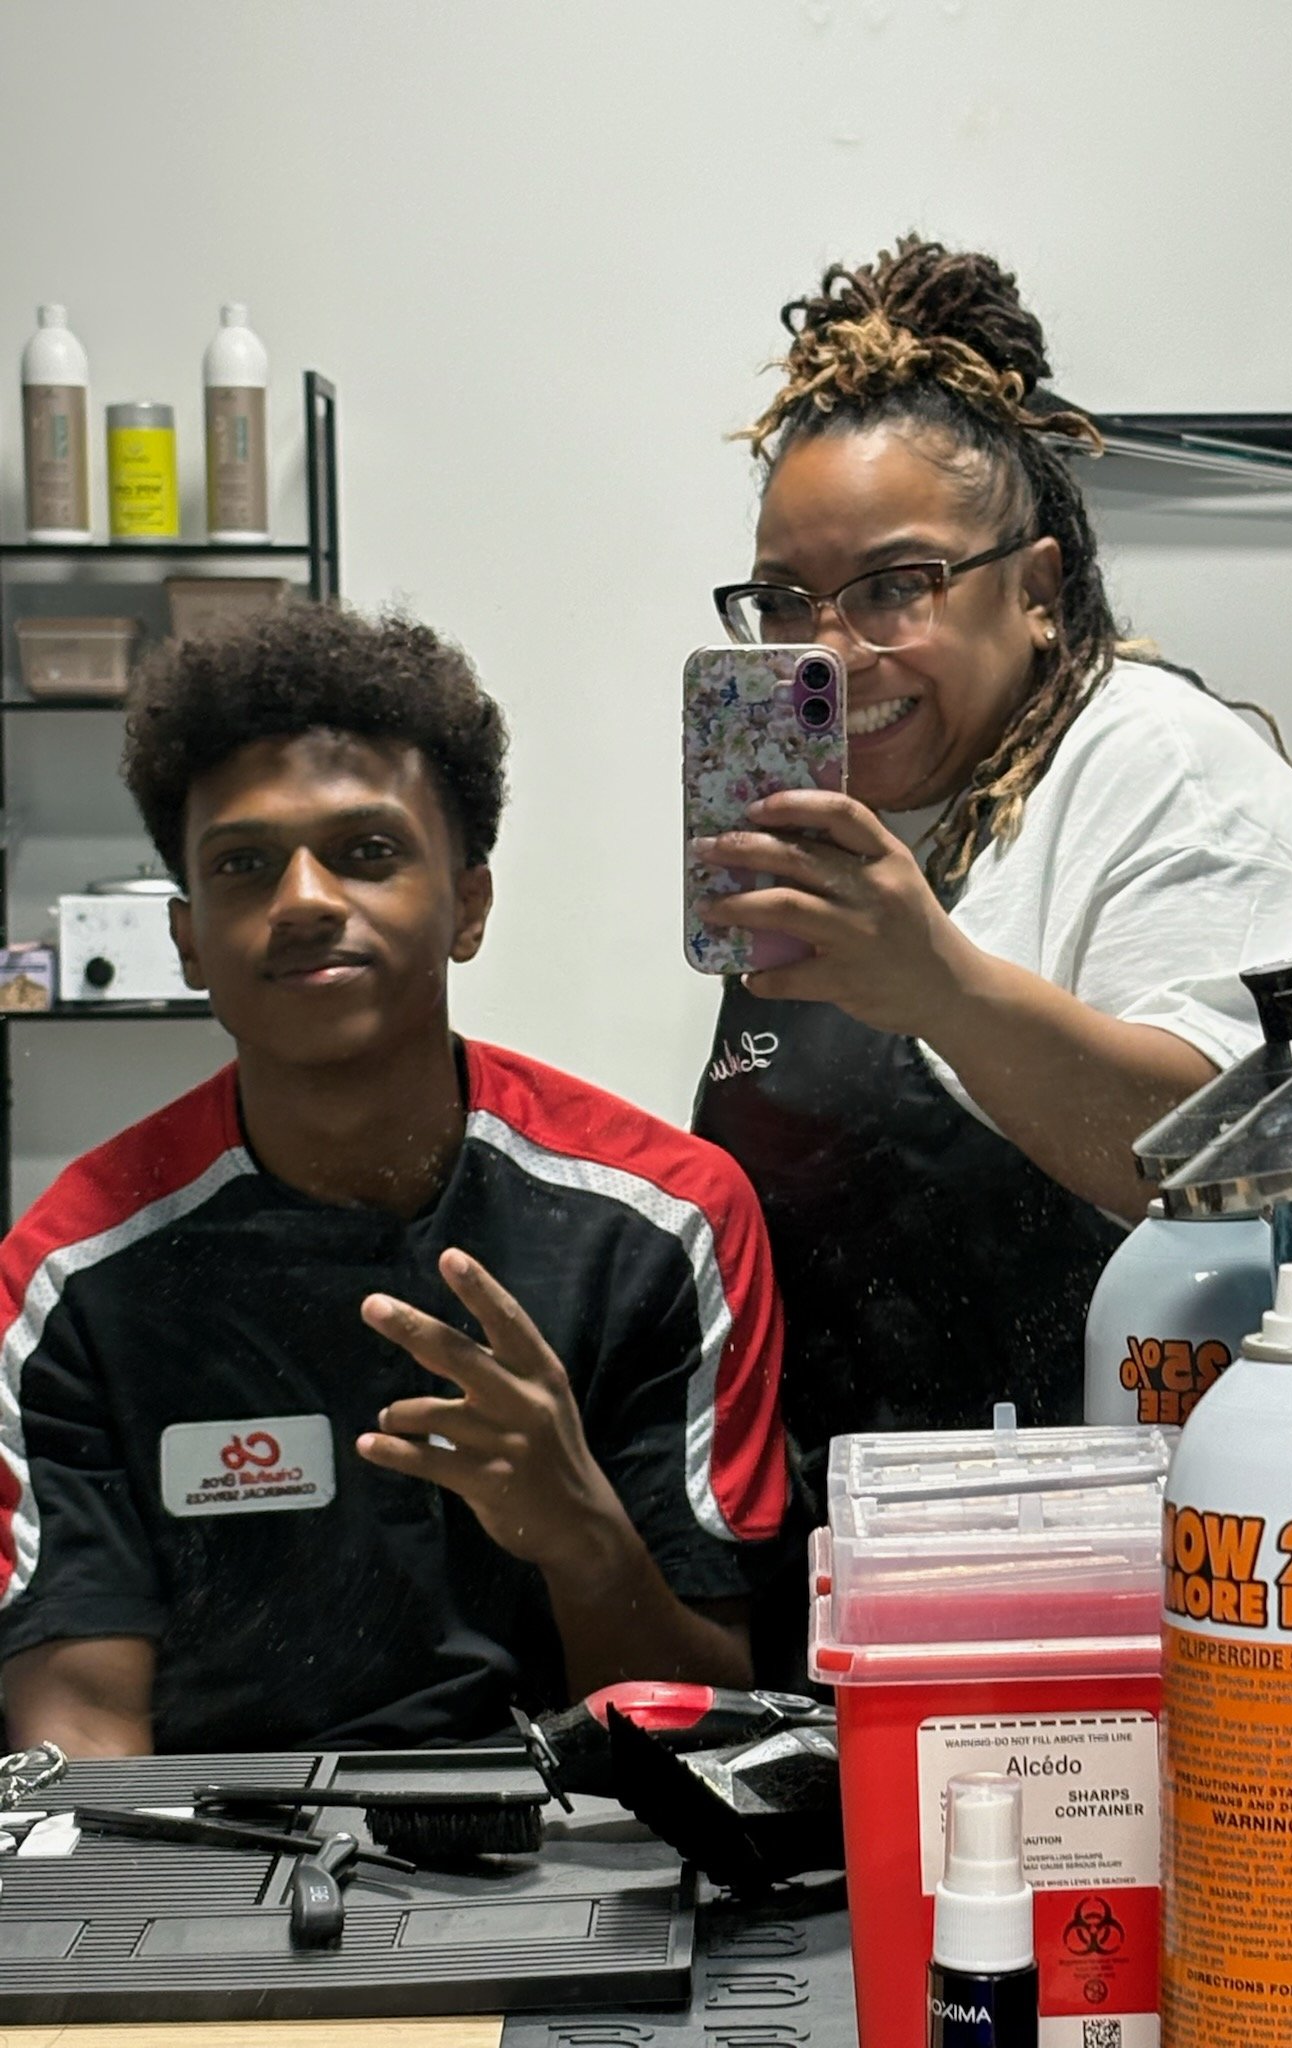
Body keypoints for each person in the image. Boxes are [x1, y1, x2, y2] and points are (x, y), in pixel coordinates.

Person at [0, 604, 790, 1757]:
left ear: (468, 904)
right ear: (185, 939)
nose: (307, 897)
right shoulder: (71, 1273)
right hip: (209, 1873)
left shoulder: (663, 1223)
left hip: (580, 1875)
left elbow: (712, 1725)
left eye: (367, 851)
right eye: (243, 863)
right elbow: (79, 1734)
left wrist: (578, 1529)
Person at [692, 237, 1292, 1491]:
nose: (829, 651)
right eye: (785, 600)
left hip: (1151, 1568)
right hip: (865, 1559)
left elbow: (1231, 1173)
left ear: (1033, 589)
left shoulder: (1167, 776)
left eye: (893, 587)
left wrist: (943, 991)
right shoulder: (825, 817)